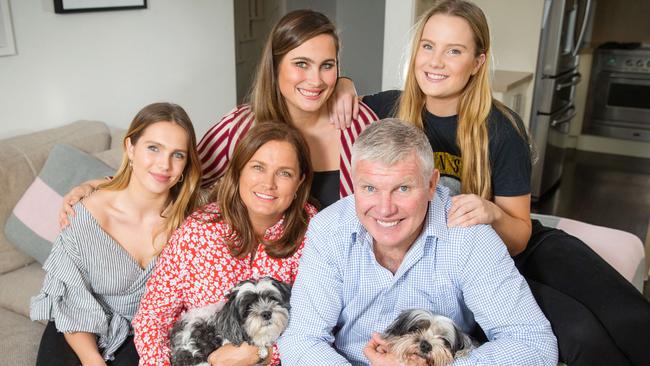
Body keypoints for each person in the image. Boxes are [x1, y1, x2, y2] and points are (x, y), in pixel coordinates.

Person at [334, 1, 650, 365]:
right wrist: (344, 82)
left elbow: (519, 234)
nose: (435, 62)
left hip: (522, 246)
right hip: (480, 267)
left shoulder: (500, 128)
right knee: (581, 334)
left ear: (477, 62)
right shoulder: (389, 109)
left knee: (627, 313)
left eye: (454, 51)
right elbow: (338, 100)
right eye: (428, 45)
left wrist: (491, 213)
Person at [278, 119, 558, 366]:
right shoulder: (329, 229)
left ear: (432, 184)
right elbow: (303, 338)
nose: (385, 209)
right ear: (353, 183)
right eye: (370, 188)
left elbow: (533, 344)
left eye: (403, 188)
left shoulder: (469, 236)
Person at [59, 9, 375, 219]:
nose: (316, 80)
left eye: (327, 66)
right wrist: (101, 185)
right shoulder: (240, 128)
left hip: (341, 286)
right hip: (260, 290)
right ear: (275, 66)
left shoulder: (359, 124)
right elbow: (177, 173)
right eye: (301, 64)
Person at [30, 103, 202, 366]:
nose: (164, 164)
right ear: (131, 148)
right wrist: (92, 360)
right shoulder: (86, 214)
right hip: (78, 330)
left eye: (177, 154)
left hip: (144, 336)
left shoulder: (191, 224)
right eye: (153, 148)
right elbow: (71, 302)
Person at [133, 122, 317, 366]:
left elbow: (323, 326)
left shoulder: (317, 233)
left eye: (285, 173)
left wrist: (264, 355)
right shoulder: (198, 230)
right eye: (258, 168)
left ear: (300, 181)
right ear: (239, 170)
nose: (268, 183)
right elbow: (152, 317)